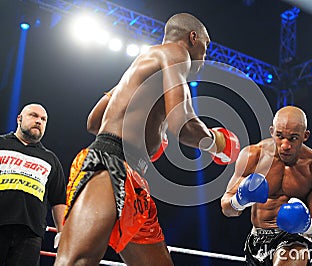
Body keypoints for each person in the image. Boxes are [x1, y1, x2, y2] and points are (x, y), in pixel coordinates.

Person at [55, 13, 240, 265]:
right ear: (192, 38)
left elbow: (93, 121)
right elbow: (182, 125)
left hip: (132, 176)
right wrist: (215, 142)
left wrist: (146, 131)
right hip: (109, 164)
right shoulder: (177, 54)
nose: (204, 59)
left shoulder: (138, 69)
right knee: (77, 261)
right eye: (205, 49)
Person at [221, 106, 312, 266]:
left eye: (293, 138)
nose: (285, 145)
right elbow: (227, 209)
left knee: (294, 255)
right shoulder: (253, 156)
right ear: (272, 131)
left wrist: (308, 225)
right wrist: (239, 200)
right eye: (280, 136)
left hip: (294, 240)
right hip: (256, 240)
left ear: (305, 136)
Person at [0, 103, 66, 265]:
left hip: (30, 235)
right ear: (19, 119)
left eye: (43, 119)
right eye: (33, 115)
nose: (38, 121)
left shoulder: (50, 159)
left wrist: (63, 233)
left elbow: (58, 200)